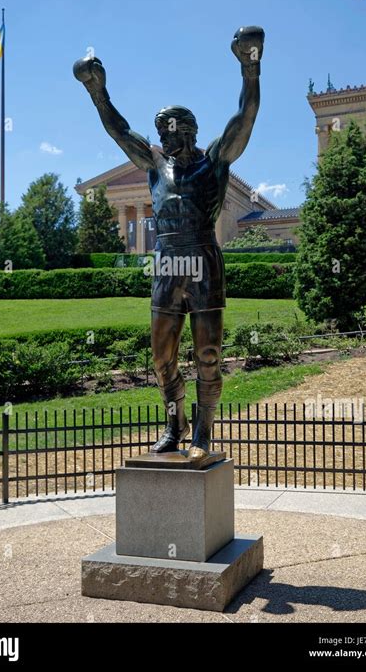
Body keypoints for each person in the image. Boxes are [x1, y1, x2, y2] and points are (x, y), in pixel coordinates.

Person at [73, 26, 264, 460]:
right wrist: (97, 91)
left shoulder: (216, 159)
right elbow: (119, 131)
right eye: (161, 130)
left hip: (203, 262)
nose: (164, 136)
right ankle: (174, 425)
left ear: (190, 130)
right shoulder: (155, 166)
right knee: (162, 358)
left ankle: (202, 434)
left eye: (171, 129)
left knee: (209, 354)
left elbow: (245, 118)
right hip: (166, 266)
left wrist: (250, 68)